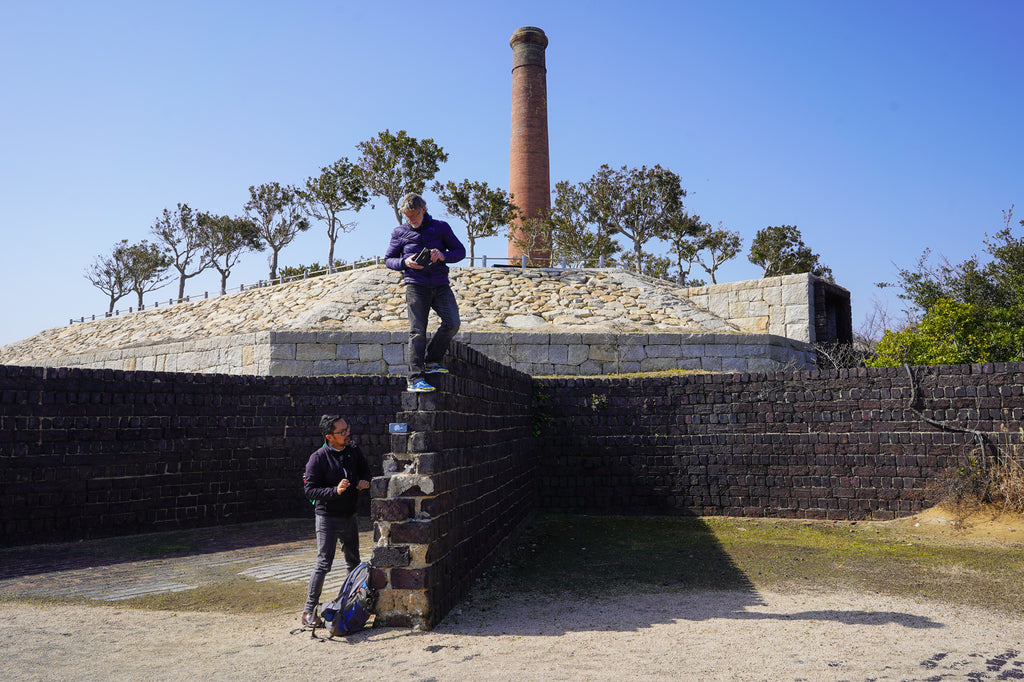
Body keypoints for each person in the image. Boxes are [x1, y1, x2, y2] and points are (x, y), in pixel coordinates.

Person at [384, 192, 466, 392]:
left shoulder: (441, 227)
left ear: (424, 210)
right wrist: (405, 262)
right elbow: (388, 259)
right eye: (407, 216)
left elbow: (461, 251)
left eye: (414, 215)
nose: (411, 220)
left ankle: (432, 360)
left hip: (440, 285)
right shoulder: (399, 232)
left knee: (453, 323)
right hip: (415, 285)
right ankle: (414, 379)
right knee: (417, 332)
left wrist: (443, 256)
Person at [300, 414, 371, 628]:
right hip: (327, 518)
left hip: (349, 515)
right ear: (329, 436)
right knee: (323, 563)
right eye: (342, 432)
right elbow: (309, 489)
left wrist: (362, 482)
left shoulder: (353, 451)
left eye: (347, 429)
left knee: (354, 563)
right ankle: (308, 611)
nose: (347, 433)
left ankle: (349, 604)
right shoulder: (318, 458)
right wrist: (335, 490)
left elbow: (365, 470)